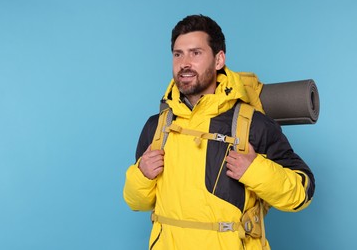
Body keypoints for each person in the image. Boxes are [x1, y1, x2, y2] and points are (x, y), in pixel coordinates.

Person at [123, 14, 315, 250]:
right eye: (178, 54)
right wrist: (142, 175)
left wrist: (255, 170)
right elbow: (137, 203)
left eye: (196, 53)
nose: (184, 63)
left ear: (218, 59)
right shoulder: (157, 126)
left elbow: (302, 193)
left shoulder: (252, 124)